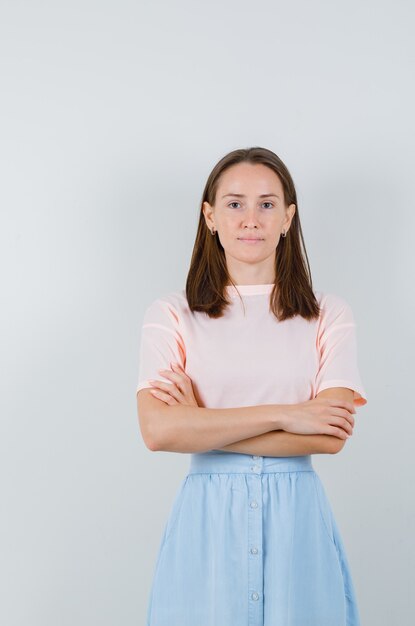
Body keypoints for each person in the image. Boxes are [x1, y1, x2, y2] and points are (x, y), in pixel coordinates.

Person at [136, 146, 368, 626]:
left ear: (288, 217)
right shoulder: (171, 315)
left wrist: (200, 422)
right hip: (206, 524)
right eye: (235, 203)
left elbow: (329, 435)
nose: (251, 219)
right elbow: (159, 432)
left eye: (266, 204)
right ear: (210, 216)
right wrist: (286, 413)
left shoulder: (329, 314)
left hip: (297, 524)